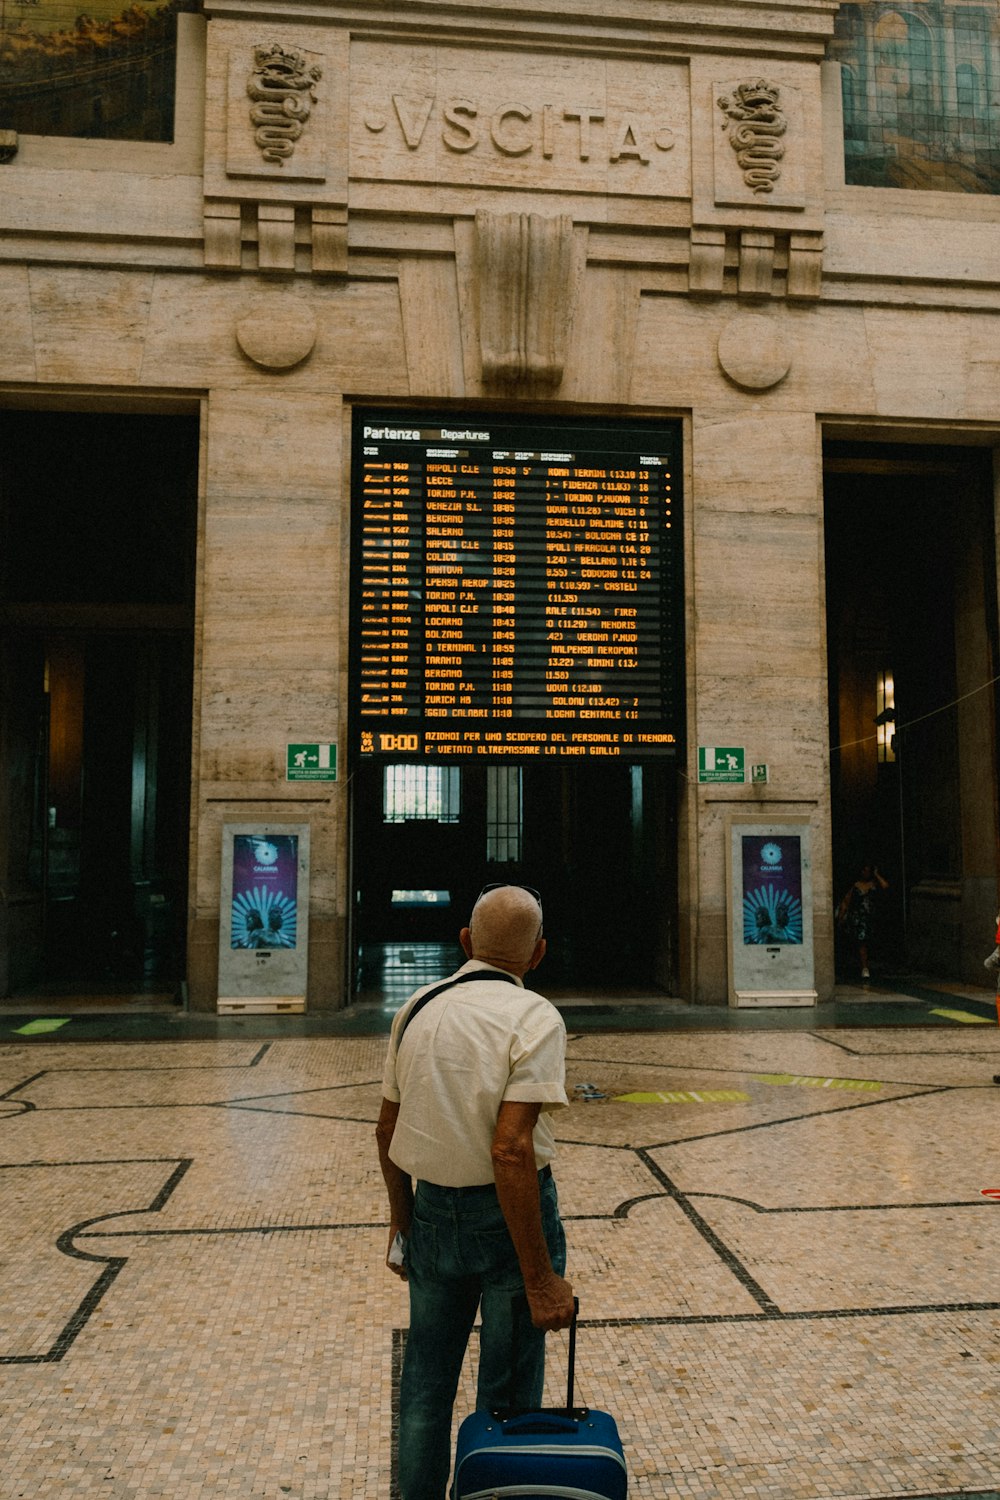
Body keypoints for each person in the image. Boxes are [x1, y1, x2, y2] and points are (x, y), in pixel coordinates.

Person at [376, 883, 575, 1500]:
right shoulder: (535, 1017)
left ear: (465, 942)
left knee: (425, 1389)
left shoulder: (417, 1006)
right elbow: (511, 1150)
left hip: (432, 1210)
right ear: (538, 953)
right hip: (509, 1220)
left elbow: (385, 1129)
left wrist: (403, 1222)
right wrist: (542, 1279)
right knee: (509, 1396)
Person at [837, 860, 889, 980]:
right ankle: (864, 967)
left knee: (870, 942)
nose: (866, 873)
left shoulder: (874, 884)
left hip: (871, 917)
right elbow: (846, 902)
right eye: (864, 870)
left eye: (868, 871)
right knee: (861, 942)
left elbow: (885, 886)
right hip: (859, 919)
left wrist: (877, 875)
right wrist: (841, 917)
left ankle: (868, 963)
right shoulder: (855, 886)